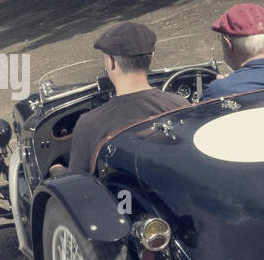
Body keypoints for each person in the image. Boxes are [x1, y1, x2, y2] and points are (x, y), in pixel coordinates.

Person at [49, 21, 188, 177]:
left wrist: (56, 170)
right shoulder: (180, 105)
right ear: (152, 55)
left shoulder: (89, 124)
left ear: (111, 61)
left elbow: (76, 186)